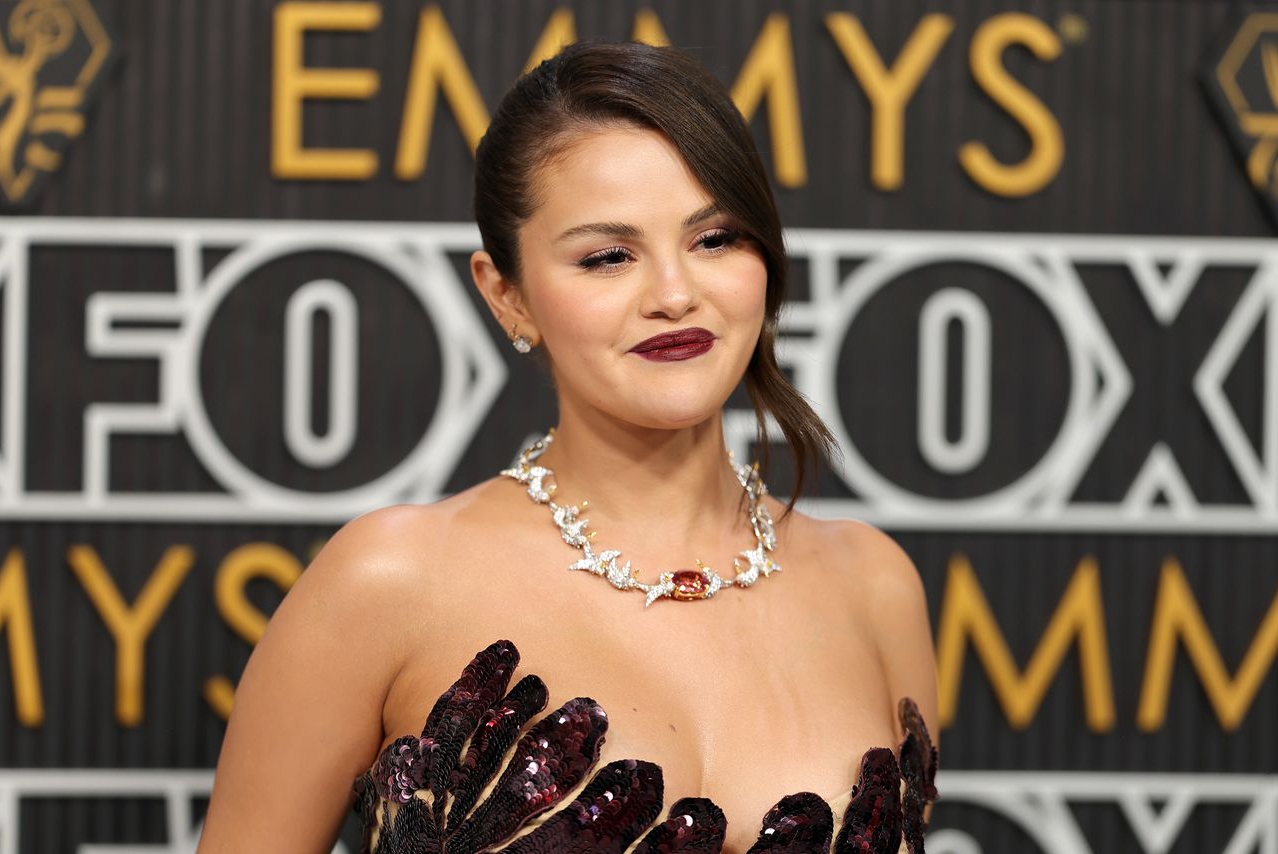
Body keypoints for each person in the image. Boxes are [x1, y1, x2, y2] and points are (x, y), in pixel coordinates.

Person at [199, 41, 938, 854]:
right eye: (607, 256)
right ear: (506, 295)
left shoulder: (874, 589)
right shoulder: (388, 584)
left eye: (716, 239)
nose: (674, 294)